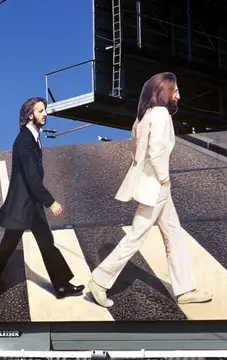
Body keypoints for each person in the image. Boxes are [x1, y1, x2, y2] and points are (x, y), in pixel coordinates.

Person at [88, 72, 213, 308]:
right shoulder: (161, 114)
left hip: (150, 184)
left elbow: (135, 151)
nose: (179, 95)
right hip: (157, 186)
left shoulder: (142, 117)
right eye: (175, 91)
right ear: (164, 92)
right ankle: (100, 281)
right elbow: (156, 152)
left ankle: (185, 289)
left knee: (173, 233)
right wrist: (165, 179)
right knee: (136, 236)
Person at [0, 97, 84, 306]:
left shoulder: (33, 138)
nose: (45, 114)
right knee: (7, 247)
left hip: (31, 205)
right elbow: (32, 177)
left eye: (45, 110)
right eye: (41, 111)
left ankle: (61, 284)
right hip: (22, 206)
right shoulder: (24, 140)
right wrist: (50, 202)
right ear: (30, 115)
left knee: (46, 242)